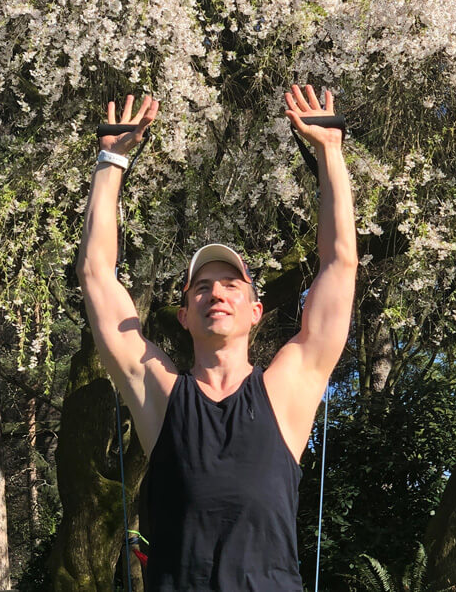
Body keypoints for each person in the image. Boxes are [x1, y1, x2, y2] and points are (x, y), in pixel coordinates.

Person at [76, 85, 357, 591]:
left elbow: (339, 263)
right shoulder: (160, 395)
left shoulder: (286, 392)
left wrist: (330, 154)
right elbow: (97, 275)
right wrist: (110, 161)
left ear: (256, 311)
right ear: (184, 316)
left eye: (231, 284)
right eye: (201, 287)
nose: (216, 293)